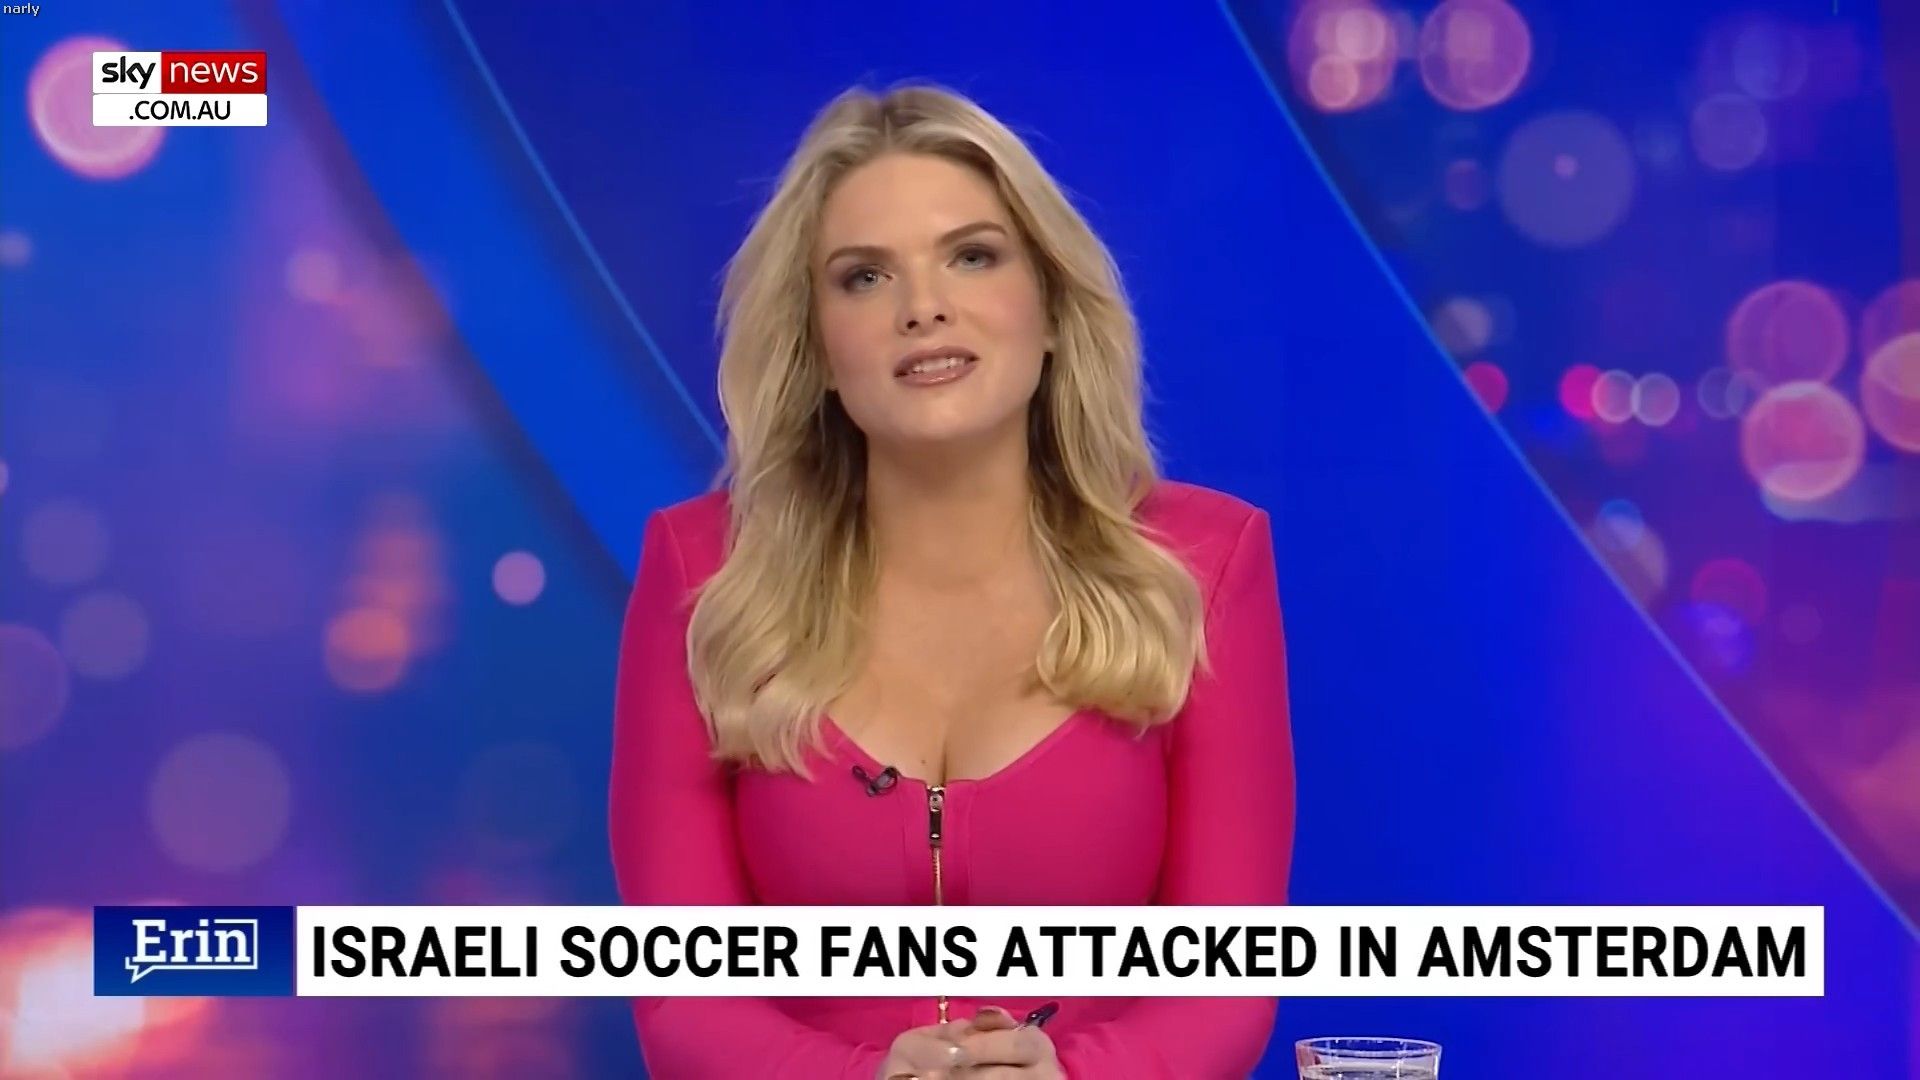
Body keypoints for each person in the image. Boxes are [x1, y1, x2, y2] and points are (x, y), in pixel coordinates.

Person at [610, 80, 1295, 1079]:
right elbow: (682, 997)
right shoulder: (703, 574)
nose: (923, 307)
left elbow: (1227, 981)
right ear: (818, 348)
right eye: (864, 277)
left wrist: (1074, 1075)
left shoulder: (1203, 562)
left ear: (1051, 308)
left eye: (972, 256)